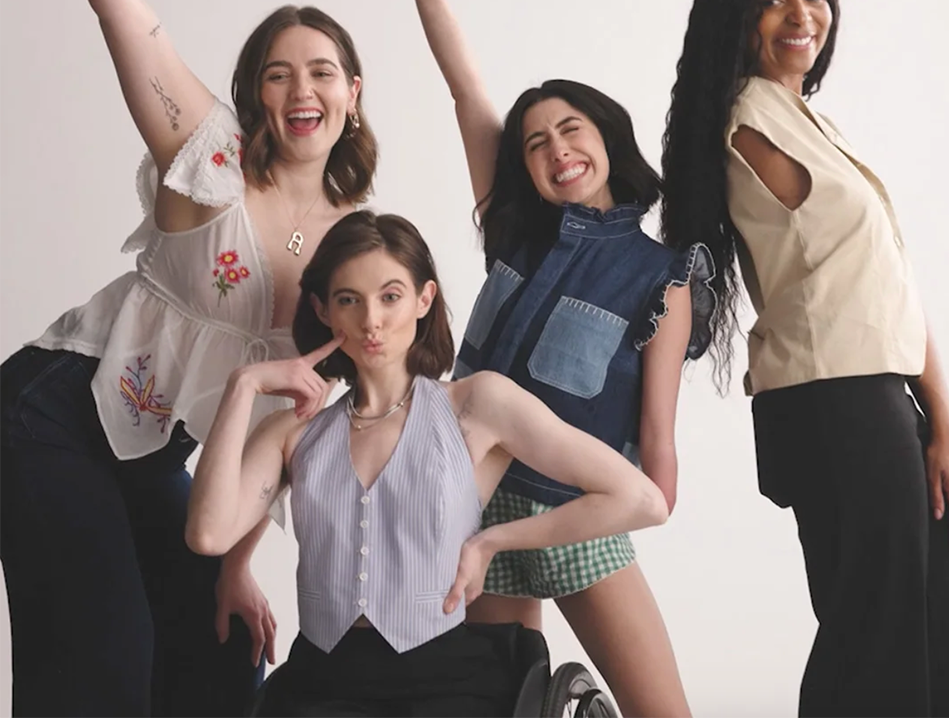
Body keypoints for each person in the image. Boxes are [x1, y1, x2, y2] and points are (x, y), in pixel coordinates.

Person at [0, 0, 376, 715]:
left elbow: (294, 424)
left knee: (224, 650)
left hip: (150, 452)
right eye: (277, 75)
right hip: (55, 413)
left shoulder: (356, 248)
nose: (301, 91)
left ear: (353, 91)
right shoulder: (208, 154)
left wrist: (239, 561)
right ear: (253, 94)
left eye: (321, 72)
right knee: (103, 658)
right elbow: (120, 0)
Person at [359, 0, 714, 717]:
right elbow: (466, 91)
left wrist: (621, 505)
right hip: (471, 499)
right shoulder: (514, 233)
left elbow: (657, 450)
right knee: (498, 703)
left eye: (570, 130)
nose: (555, 151)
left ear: (606, 138)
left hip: (567, 512)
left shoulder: (662, 275)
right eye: (534, 144)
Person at [659, 0, 949, 717]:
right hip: (837, 406)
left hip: (879, 401)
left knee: (945, 641)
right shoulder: (747, 120)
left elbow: (887, 287)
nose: (800, 15)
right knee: (878, 646)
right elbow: (870, 295)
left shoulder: (805, 119)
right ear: (736, 16)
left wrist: (942, 426)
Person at [185, 210, 668, 718]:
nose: (371, 320)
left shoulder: (476, 406)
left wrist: (492, 541)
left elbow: (641, 500)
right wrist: (244, 386)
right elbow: (208, 535)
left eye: (390, 297)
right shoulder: (291, 434)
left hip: (446, 682)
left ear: (424, 299)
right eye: (349, 300)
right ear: (323, 310)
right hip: (320, 683)